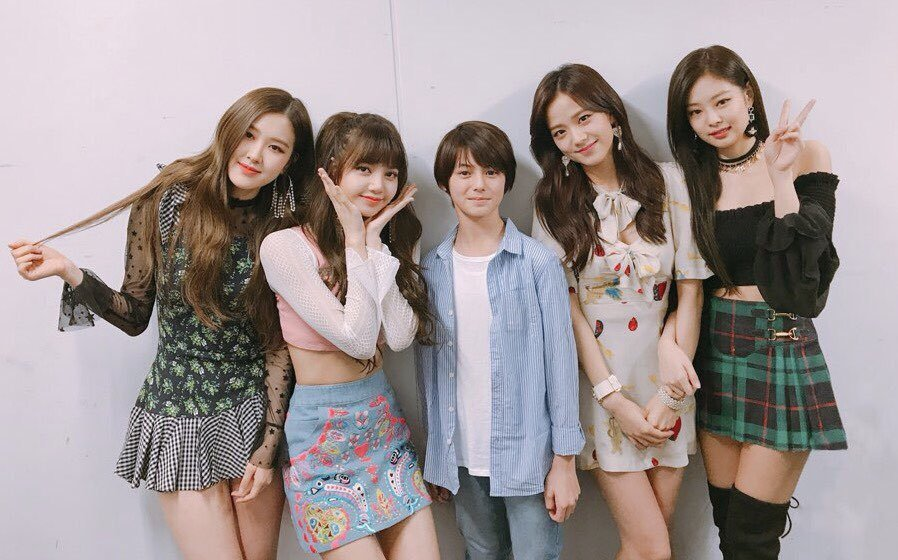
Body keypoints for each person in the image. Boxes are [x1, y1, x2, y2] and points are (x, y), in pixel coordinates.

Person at [9, 87, 315, 560]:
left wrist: (269, 442)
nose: (255, 154)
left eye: (275, 147)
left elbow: (278, 341)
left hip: (254, 411)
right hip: (178, 412)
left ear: (289, 161)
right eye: (249, 135)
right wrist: (69, 272)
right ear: (228, 130)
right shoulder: (168, 200)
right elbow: (134, 315)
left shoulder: (283, 222)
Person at [667, 45, 847, 559]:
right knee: (729, 529)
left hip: (780, 343)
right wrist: (667, 342)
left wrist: (780, 176)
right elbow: (683, 280)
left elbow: (803, 284)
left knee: (752, 540)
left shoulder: (806, 155)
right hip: (716, 350)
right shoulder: (689, 178)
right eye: (695, 112)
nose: (711, 120)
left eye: (721, 101)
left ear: (748, 94)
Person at [530, 64, 711, 560]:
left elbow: (690, 290)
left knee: (650, 546)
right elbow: (568, 313)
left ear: (612, 116)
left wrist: (670, 395)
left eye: (583, 118)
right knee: (652, 548)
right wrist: (615, 402)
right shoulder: (552, 204)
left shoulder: (670, 182)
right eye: (560, 132)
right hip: (605, 393)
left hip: (672, 385)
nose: (576, 138)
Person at [260, 112, 439, 559]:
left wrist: (374, 246)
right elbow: (357, 340)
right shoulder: (285, 247)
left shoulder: (395, 238)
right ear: (330, 170)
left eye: (390, 173)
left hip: (383, 424)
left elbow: (399, 336)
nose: (379, 185)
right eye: (364, 168)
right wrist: (358, 245)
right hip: (322, 437)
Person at [417, 121, 584, 560]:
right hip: (460, 458)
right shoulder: (431, 270)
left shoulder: (537, 263)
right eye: (464, 172)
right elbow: (428, 372)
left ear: (506, 180)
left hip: (530, 456)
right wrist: (437, 455)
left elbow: (561, 367)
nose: (479, 185)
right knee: (481, 554)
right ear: (444, 183)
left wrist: (565, 462)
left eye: (491, 172)